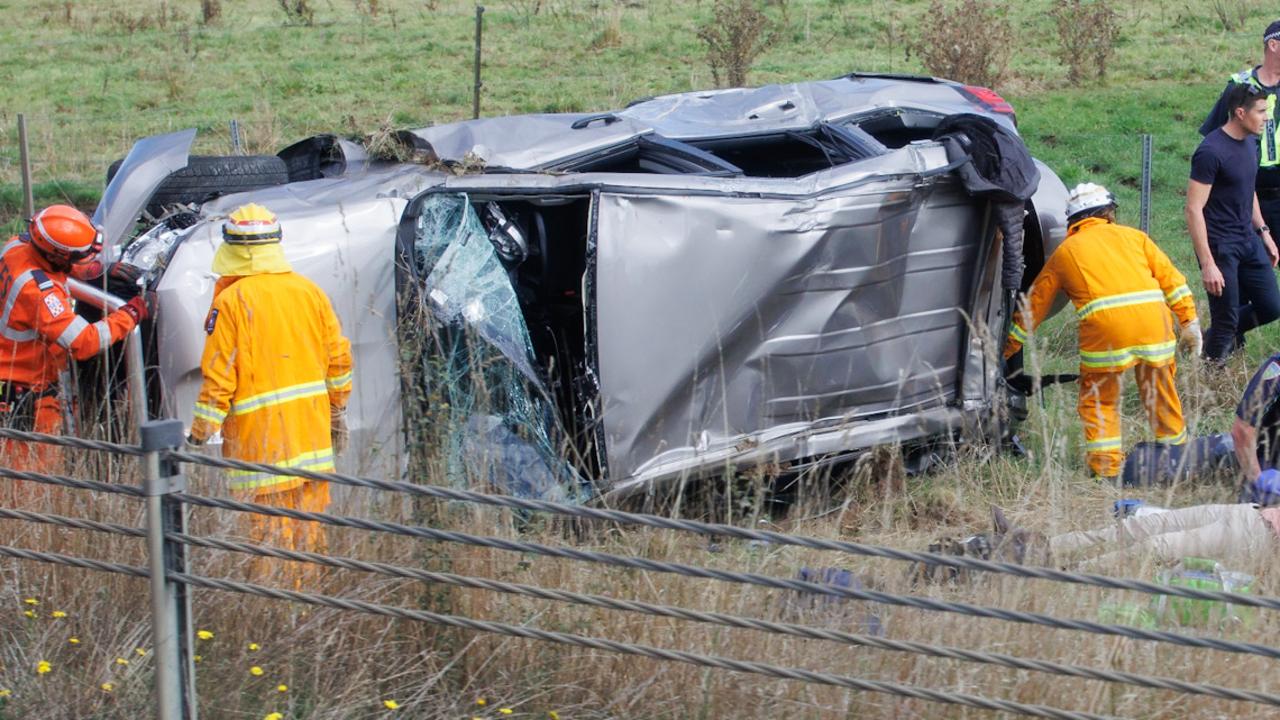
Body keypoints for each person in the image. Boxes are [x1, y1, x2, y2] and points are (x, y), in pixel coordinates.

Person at [186, 203, 352, 558]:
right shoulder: (309, 291)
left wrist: (199, 432)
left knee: (270, 549)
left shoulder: (229, 302)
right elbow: (339, 359)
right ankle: (311, 611)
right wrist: (337, 409)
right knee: (310, 542)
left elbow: (218, 378)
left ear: (229, 248)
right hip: (312, 440)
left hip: (259, 447)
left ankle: (277, 612)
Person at [1004, 183, 1200, 480]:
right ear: (1109, 212)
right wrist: (1190, 323)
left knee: (1100, 400)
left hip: (1107, 336)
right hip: (1154, 328)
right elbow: (1173, 282)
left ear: (1073, 220)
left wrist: (1004, 350)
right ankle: (1176, 458)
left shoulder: (1066, 252)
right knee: (1160, 393)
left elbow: (1033, 307)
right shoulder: (1136, 237)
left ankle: (1107, 469)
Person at [0, 205, 149, 491]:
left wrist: (96, 270)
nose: (85, 260)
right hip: (27, 395)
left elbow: (54, 270)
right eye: (79, 257)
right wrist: (130, 314)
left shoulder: (16, 246)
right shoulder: (38, 292)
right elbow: (84, 342)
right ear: (56, 255)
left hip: (17, 382)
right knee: (33, 483)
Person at [1188, 82, 1280, 361]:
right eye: (1261, 111)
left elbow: (1247, 188)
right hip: (1220, 246)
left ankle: (1209, 336)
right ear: (1240, 113)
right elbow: (1193, 209)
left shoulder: (1251, 143)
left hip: (1247, 241)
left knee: (1271, 306)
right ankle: (1208, 377)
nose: (1267, 118)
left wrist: (1263, 232)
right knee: (1226, 321)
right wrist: (1207, 263)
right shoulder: (1210, 152)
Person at [1200, 20, 1280, 240]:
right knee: (1250, 268)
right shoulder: (1239, 85)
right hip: (1242, 193)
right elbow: (1214, 138)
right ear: (1273, 45)